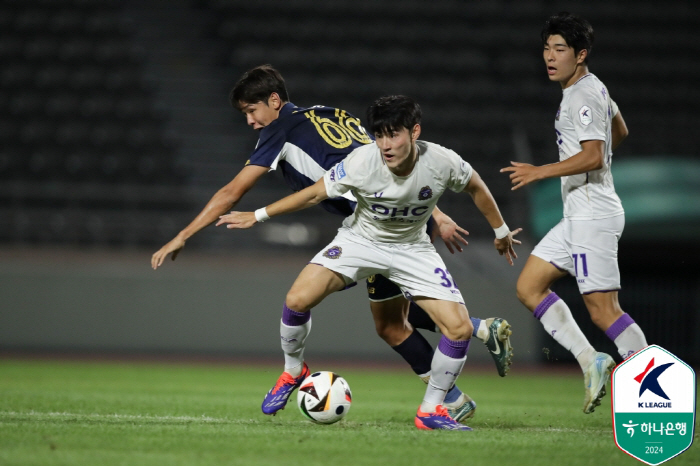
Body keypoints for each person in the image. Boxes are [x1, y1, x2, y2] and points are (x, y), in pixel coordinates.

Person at [152, 65, 514, 423]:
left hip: (397, 234)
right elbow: (386, 163)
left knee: (398, 322)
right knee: (389, 322)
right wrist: (436, 213)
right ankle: (472, 345)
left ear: (274, 101)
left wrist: (185, 234)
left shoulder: (280, 131)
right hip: (368, 233)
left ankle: (454, 382)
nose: (249, 120)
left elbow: (233, 191)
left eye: (251, 110)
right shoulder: (329, 113)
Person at [501, 12, 648, 414]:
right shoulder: (592, 88)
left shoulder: (581, 95)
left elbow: (594, 153)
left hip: (592, 217)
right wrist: (597, 155)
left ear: (580, 54)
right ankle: (591, 360)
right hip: (578, 216)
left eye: (560, 50)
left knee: (604, 311)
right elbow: (619, 130)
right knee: (530, 287)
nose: (550, 56)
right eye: (547, 48)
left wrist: (542, 171)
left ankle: (654, 397)